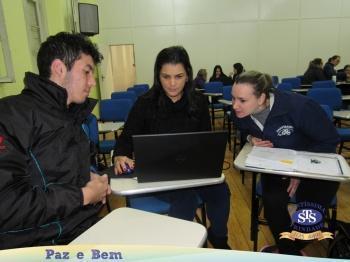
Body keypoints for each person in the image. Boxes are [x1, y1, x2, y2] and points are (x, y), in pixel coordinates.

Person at [0, 32, 111, 249]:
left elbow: (49, 172)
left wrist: (89, 179)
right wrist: (84, 195)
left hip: (80, 229)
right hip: (36, 245)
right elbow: (6, 205)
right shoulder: (10, 116)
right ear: (59, 68)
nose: (92, 81)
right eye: (87, 72)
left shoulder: (70, 115)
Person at [113, 46, 231, 249]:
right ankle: (178, 250)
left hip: (194, 173)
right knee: (186, 199)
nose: (172, 83)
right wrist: (120, 155)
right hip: (159, 175)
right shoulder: (144, 103)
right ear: (158, 76)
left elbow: (205, 141)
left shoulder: (199, 102)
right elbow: (126, 138)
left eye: (179, 76)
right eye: (166, 77)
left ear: (188, 75)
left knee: (221, 192)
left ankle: (218, 239)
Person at [231, 71, 340, 255]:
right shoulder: (240, 113)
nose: (235, 106)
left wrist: (297, 170)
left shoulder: (301, 107)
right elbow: (241, 128)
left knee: (309, 223)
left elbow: (329, 141)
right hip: (276, 166)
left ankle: (290, 247)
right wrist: (250, 137)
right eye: (233, 98)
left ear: (262, 98)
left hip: (314, 166)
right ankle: (289, 253)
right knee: (272, 202)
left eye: (242, 100)